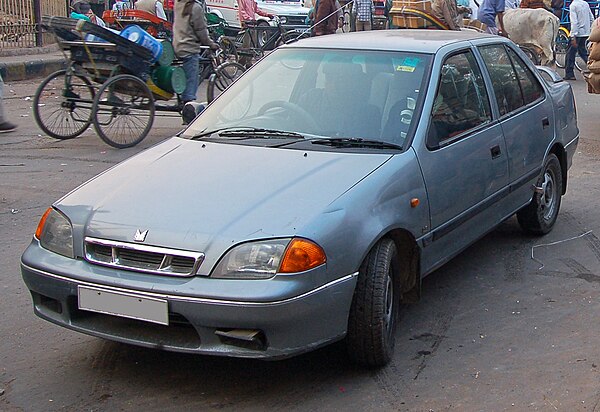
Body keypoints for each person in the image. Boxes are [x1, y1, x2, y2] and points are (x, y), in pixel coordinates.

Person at [173, 0, 219, 105]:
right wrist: (211, 44)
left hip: (177, 44)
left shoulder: (179, 3)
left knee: (187, 75)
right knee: (191, 82)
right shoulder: (195, 8)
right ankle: (187, 106)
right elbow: (201, 32)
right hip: (189, 48)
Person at [564, 0, 594, 80]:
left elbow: (574, 22)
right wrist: (590, 29)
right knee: (582, 52)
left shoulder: (573, 5)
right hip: (585, 32)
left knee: (570, 54)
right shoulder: (585, 4)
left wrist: (573, 36)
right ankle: (593, 67)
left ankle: (569, 74)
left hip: (577, 33)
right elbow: (591, 18)